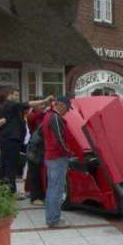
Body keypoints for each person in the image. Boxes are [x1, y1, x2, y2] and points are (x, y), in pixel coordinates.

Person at [0, 87, 54, 198]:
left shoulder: (8, 107)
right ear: (10, 95)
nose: (17, 98)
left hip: (9, 140)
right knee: (10, 167)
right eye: (16, 95)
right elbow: (28, 104)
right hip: (10, 141)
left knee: (5, 166)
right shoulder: (10, 104)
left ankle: (3, 191)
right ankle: (10, 193)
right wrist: (45, 101)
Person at [42, 96, 74, 228]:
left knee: (52, 189)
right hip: (57, 157)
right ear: (60, 105)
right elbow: (60, 139)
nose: (67, 111)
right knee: (57, 189)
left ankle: (51, 218)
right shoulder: (55, 117)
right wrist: (69, 151)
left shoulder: (48, 116)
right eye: (67, 108)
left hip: (51, 156)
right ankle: (54, 219)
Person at [25, 97, 50, 206]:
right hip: (35, 147)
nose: (43, 107)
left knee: (39, 172)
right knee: (34, 172)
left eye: (43, 105)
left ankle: (38, 193)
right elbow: (33, 118)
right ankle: (35, 197)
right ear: (35, 106)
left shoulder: (44, 115)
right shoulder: (32, 116)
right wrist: (46, 112)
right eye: (40, 104)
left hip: (42, 147)